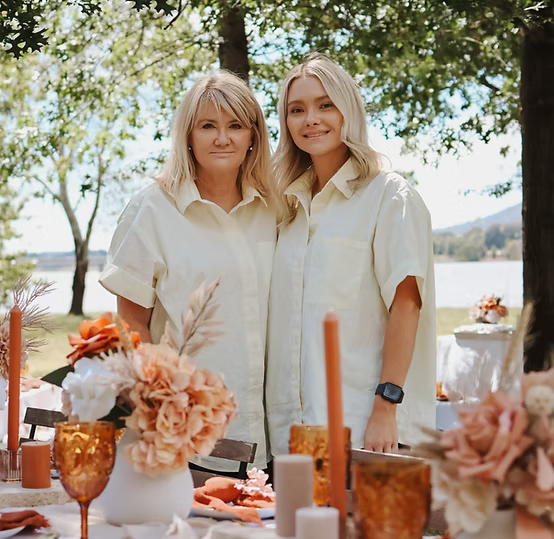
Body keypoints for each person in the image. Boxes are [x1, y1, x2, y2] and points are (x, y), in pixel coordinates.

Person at [99, 72, 276, 470]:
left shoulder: (273, 210)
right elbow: (131, 323)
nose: (222, 138)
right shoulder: (152, 210)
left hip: (271, 434)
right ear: (189, 136)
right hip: (184, 435)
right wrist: (156, 405)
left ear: (253, 136)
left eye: (235, 126)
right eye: (208, 126)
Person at [266, 54, 436, 456]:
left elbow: (407, 307)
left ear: (349, 112)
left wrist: (385, 407)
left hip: (365, 427)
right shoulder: (286, 210)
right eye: (297, 109)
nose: (311, 118)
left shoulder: (390, 197)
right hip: (290, 433)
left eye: (325, 104)